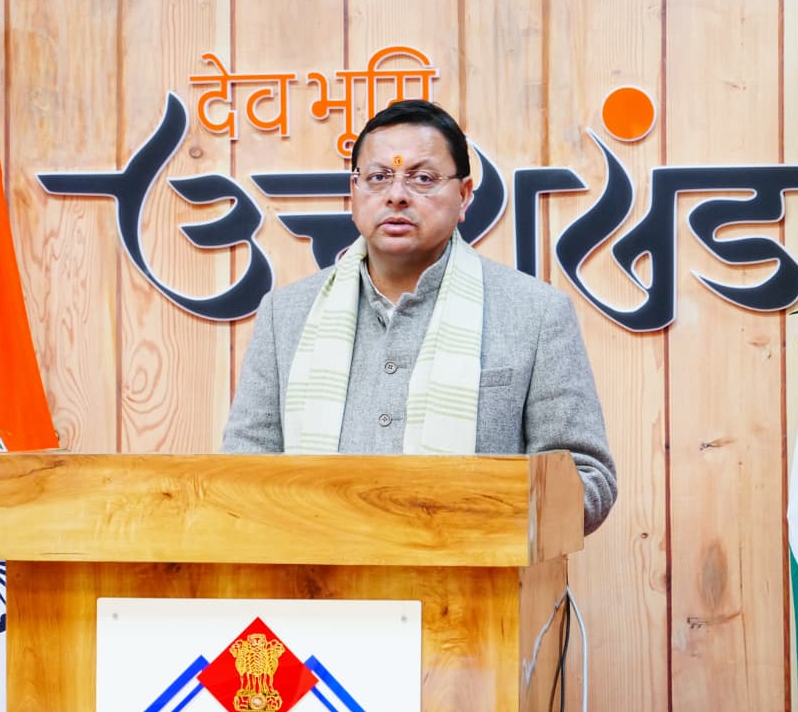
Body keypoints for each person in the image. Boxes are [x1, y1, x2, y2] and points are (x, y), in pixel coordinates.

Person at [221, 100, 616, 533]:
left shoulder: (535, 313)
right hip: (316, 573)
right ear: (353, 192)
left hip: (477, 572)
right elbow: (241, 475)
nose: (396, 195)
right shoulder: (285, 315)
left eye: (422, 178)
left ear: (464, 195)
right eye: (378, 177)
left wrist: (474, 515)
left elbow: (588, 480)